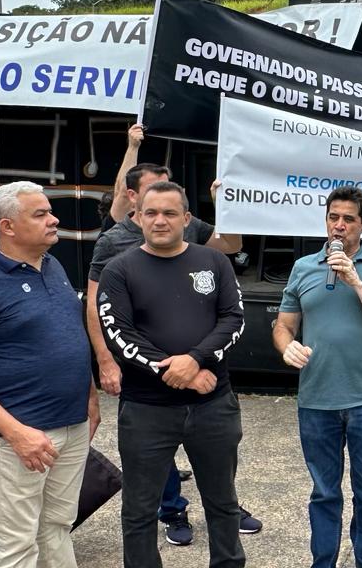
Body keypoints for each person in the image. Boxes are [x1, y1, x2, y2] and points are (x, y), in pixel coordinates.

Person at [86, 160, 255, 544]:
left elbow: (233, 318)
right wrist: (177, 373)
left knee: (223, 504)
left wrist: (195, 359)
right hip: (146, 409)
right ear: (137, 216)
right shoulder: (118, 268)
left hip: (213, 406)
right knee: (140, 512)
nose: (160, 220)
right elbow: (120, 334)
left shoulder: (212, 262)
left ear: (187, 218)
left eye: (169, 213)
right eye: (151, 213)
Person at [0, 181, 99, 568]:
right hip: (22, 438)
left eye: (49, 211)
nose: (54, 219)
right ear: (8, 226)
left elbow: (70, 338)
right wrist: (16, 434)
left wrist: (91, 398)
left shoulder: (54, 265)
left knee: (58, 524)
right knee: (16, 541)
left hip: (72, 425)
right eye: (41, 214)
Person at [273, 187, 362, 568]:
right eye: (334, 217)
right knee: (324, 493)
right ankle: (323, 562)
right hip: (316, 400)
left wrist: (356, 282)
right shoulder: (303, 267)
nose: (340, 226)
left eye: (349, 219)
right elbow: (283, 325)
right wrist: (285, 346)